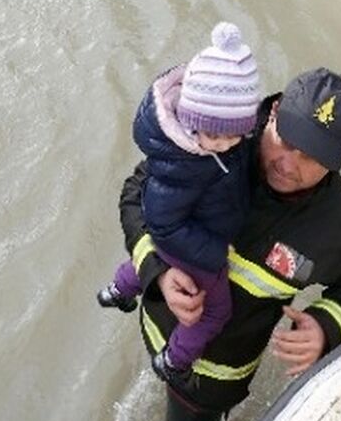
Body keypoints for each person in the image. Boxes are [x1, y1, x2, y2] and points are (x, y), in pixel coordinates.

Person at [117, 67, 341, 421]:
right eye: (287, 141)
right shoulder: (212, 145)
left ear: (337, 162)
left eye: (312, 158)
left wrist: (325, 327)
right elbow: (137, 191)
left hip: (212, 380)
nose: (289, 164)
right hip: (155, 320)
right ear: (273, 112)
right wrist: (157, 269)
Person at [98, 22, 264, 386]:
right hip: (194, 243)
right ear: (190, 123)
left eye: (237, 135)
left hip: (184, 235)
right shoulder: (181, 166)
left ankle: (119, 289)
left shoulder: (210, 148)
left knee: (142, 261)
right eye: (215, 136)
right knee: (214, 312)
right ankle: (174, 360)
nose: (226, 145)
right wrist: (213, 255)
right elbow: (162, 224)